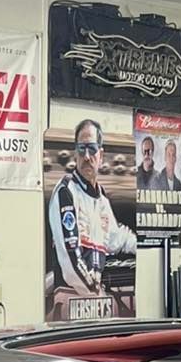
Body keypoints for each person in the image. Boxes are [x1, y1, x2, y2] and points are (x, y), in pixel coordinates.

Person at [49, 119, 136, 299]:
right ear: (75, 154)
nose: (87, 156)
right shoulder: (66, 191)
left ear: (101, 155)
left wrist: (145, 247)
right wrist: (96, 294)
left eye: (92, 148)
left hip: (93, 300)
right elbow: (70, 259)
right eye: (81, 149)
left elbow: (115, 239)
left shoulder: (101, 198)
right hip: (69, 296)